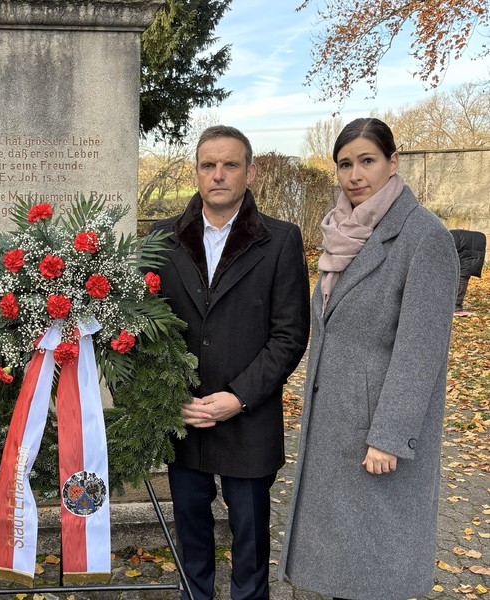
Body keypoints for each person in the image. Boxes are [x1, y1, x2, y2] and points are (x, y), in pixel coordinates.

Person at [279, 118, 459, 600]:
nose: (355, 174)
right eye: (344, 164)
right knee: (343, 568)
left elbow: (421, 350)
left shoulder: (424, 237)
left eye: (367, 161)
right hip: (333, 423)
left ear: (392, 162)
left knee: (374, 566)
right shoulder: (340, 231)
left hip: (377, 435)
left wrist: (388, 437)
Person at [151, 125, 311, 600]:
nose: (218, 174)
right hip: (185, 417)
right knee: (192, 545)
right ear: (196, 172)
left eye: (230, 164)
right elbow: (144, 327)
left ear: (250, 171)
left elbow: (290, 335)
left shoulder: (280, 240)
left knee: (250, 550)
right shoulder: (163, 237)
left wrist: (238, 397)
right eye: (208, 165)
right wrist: (171, 395)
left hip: (248, 418)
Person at [450, 228, 486, 315]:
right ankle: (455, 305)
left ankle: (456, 306)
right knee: (460, 276)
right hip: (470, 242)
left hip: (468, 247)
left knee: (463, 277)